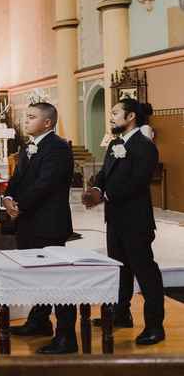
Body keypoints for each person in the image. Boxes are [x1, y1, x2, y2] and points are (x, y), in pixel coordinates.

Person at [83, 99, 164, 346]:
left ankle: (154, 326)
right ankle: (121, 314)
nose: (111, 116)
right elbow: (105, 173)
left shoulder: (144, 146)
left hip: (136, 220)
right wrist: (97, 186)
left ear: (130, 117)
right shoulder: (115, 143)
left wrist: (105, 196)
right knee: (120, 268)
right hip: (115, 219)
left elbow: (138, 182)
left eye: (115, 113)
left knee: (145, 271)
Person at [2, 102, 76, 354]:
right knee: (36, 276)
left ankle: (66, 336)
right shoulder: (28, 147)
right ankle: (39, 320)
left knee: (56, 280)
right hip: (28, 222)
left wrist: (19, 204)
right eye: (26, 116)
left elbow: (46, 184)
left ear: (47, 123)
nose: (25, 120)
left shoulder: (58, 149)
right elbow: (17, 178)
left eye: (31, 117)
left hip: (48, 223)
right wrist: (8, 198)